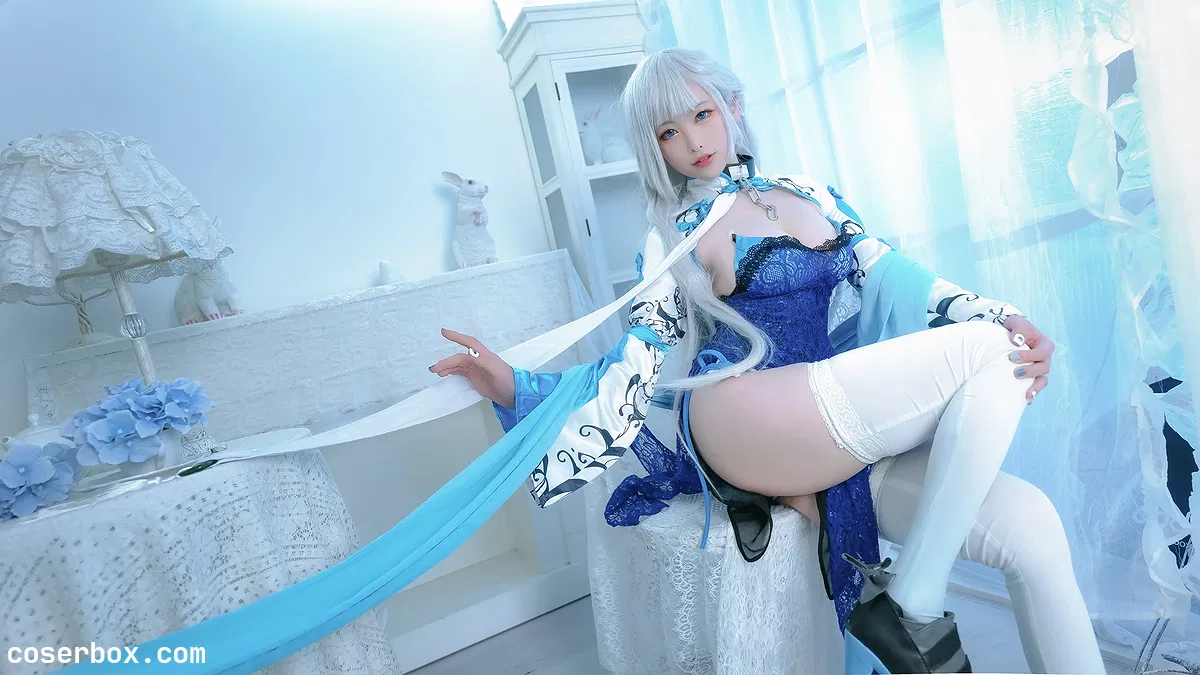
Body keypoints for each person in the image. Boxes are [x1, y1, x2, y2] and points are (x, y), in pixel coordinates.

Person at [432, 48, 1104, 674]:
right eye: (668, 132)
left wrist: (1002, 316)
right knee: (986, 350)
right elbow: (635, 361)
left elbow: (898, 278)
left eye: (701, 114)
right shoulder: (675, 235)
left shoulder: (808, 192)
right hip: (744, 415)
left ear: (732, 104)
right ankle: (914, 601)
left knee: (1033, 526)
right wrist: (514, 384)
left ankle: (912, 601)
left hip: (831, 412)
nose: (694, 141)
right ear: (653, 148)